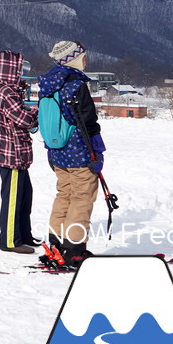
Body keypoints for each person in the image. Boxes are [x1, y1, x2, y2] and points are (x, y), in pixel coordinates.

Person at [39, 40, 105, 270]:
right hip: (79, 152)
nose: (86, 61)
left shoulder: (49, 84)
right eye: (83, 57)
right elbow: (87, 122)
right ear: (74, 59)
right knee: (82, 197)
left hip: (57, 152)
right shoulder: (75, 84)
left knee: (64, 195)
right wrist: (96, 151)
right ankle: (74, 250)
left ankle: (56, 245)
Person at [0, 50, 40, 254]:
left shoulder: (7, 89)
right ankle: (9, 240)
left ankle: (24, 234)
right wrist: (37, 113)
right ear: (10, 69)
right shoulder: (6, 91)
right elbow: (23, 119)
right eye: (19, 68)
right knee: (13, 197)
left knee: (25, 194)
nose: (22, 72)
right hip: (11, 152)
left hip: (14, 150)